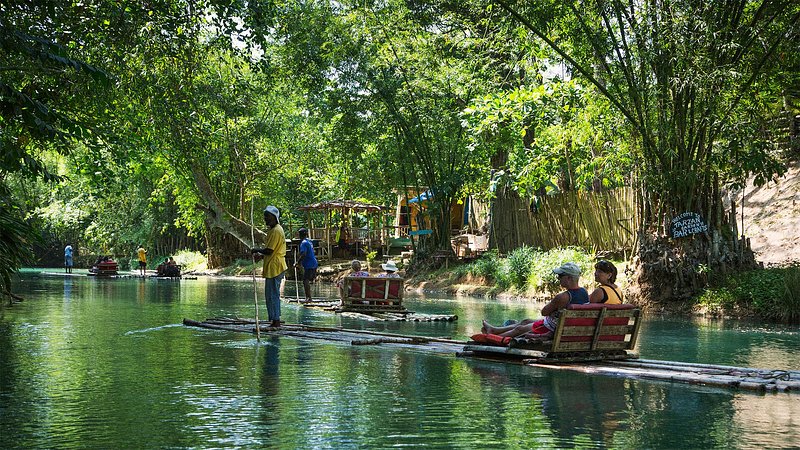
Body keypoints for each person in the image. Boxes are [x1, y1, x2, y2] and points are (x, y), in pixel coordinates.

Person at [481, 262, 589, 339]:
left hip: (552, 329)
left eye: (560, 276)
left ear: (569, 278)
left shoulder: (563, 297)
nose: (558, 278)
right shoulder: (584, 292)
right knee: (526, 321)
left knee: (519, 329)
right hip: (563, 327)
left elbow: (544, 312)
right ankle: (494, 330)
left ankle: (492, 339)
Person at [251, 205, 287, 328]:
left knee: (273, 295)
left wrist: (257, 250)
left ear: (275, 217)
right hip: (272, 266)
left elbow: (270, 250)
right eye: (265, 217)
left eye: (268, 217)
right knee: (270, 295)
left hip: (275, 266)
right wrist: (260, 255)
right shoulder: (272, 230)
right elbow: (272, 250)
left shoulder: (277, 230)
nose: (266, 219)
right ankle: (273, 319)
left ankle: (276, 320)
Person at [294, 228, 318, 302]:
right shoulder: (309, 241)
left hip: (310, 264)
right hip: (313, 263)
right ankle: (309, 297)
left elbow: (303, 254)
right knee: (307, 279)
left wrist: (297, 263)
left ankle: (309, 298)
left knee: (305, 280)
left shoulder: (303, 243)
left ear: (300, 235)